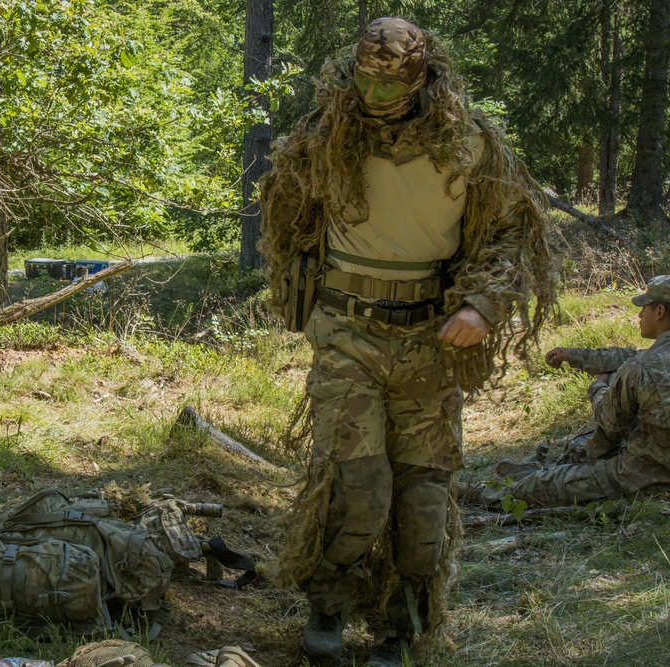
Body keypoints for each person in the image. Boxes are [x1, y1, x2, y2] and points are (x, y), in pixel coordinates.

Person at [259, 17, 556, 666]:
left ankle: (401, 628)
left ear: (423, 78)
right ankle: (328, 607)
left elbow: (511, 232)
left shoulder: (466, 144)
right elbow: (287, 212)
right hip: (349, 334)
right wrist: (299, 289)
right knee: (356, 484)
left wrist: (482, 303)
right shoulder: (327, 138)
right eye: (365, 79)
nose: (376, 92)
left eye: (390, 81)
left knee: (422, 500)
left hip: (429, 340)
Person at [479, 276, 670, 507]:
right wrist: (572, 355)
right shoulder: (648, 361)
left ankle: (476, 494)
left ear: (659, 311)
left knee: (543, 484)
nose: (639, 316)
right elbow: (626, 355)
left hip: (649, 477)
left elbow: (609, 420)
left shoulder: (641, 368)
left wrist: (599, 387)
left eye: (643, 309)